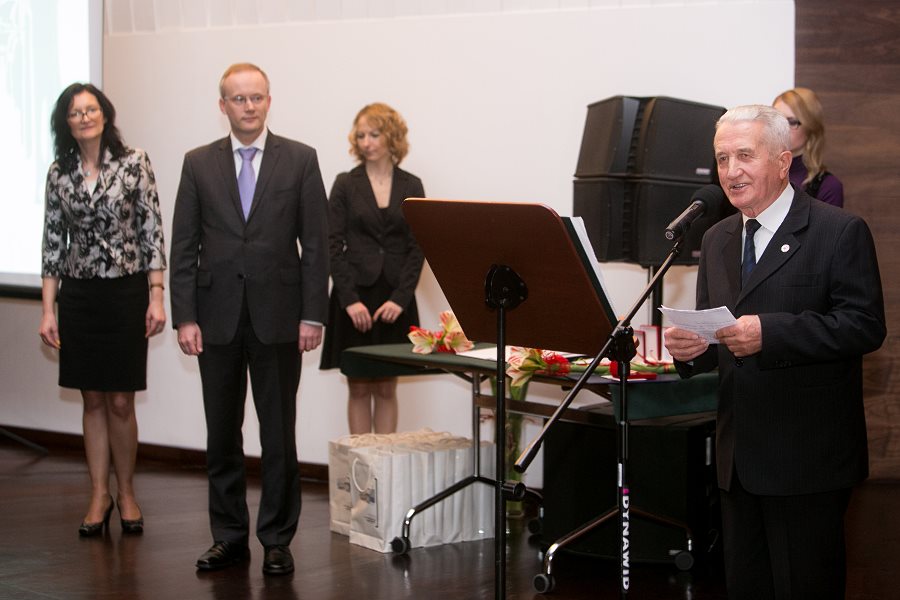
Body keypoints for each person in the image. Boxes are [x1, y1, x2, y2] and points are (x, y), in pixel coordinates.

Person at [663, 105, 885, 599]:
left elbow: (865, 326)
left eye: (745, 155)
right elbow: (719, 334)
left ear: (784, 162)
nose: (731, 171)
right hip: (737, 460)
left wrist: (772, 333)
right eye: (723, 158)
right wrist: (690, 349)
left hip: (808, 459)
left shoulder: (838, 231)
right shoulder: (717, 238)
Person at [169, 63, 329, 576]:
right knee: (222, 434)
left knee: (278, 436)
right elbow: (183, 247)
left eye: (256, 97)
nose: (249, 106)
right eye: (238, 99)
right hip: (214, 319)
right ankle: (229, 537)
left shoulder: (300, 159)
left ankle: (277, 540)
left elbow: (316, 246)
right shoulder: (197, 163)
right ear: (223, 106)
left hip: (280, 319)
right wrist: (184, 317)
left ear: (269, 101)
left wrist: (313, 315)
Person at [39, 83, 167, 536]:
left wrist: (157, 294)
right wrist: (48, 310)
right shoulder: (59, 172)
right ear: (66, 123)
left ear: (105, 115)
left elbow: (152, 230)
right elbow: (52, 243)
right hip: (79, 296)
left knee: (119, 399)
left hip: (126, 293)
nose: (84, 117)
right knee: (91, 398)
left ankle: (126, 492)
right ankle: (99, 494)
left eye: (91, 109)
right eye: (75, 113)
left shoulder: (134, 162)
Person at [319, 103, 425, 435]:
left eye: (374, 134)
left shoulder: (412, 185)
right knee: (359, 387)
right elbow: (332, 244)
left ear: (391, 136)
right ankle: (361, 462)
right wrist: (349, 300)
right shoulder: (345, 183)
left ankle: (386, 462)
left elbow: (419, 247)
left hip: (394, 297)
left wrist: (401, 299)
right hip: (355, 298)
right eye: (361, 135)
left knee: (387, 388)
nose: (366, 142)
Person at [773, 87, 844, 207]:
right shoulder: (756, 174)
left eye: (791, 122)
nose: (782, 128)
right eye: (777, 120)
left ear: (810, 127)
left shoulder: (828, 187)